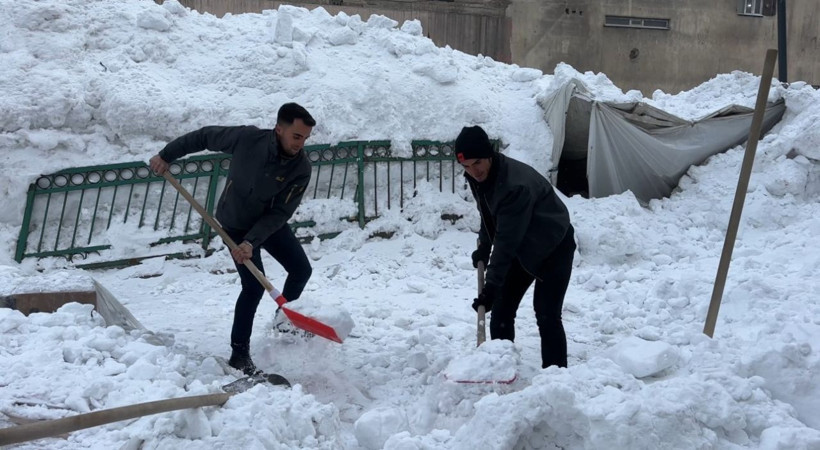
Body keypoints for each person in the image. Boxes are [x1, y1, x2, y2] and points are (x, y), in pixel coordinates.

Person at [149, 102, 316, 376]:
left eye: (306, 138)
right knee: (253, 287)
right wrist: (167, 155)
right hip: (235, 224)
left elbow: (282, 211)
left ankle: (285, 322)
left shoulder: (301, 168)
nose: (301, 144)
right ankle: (239, 354)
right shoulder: (248, 139)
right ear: (279, 129)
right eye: (297, 136)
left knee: (301, 269)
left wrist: (253, 242)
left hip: (266, 224)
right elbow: (204, 136)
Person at [455, 125, 576, 369]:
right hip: (524, 245)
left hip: (554, 245)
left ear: (489, 154)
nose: (473, 171)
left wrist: (490, 287)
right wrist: (484, 247)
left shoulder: (514, 186)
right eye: (466, 166)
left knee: (546, 314)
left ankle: (557, 378)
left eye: (477, 162)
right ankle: (501, 367)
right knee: (501, 310)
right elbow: (490, 217)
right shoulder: (482, 177)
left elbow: (507, 242)